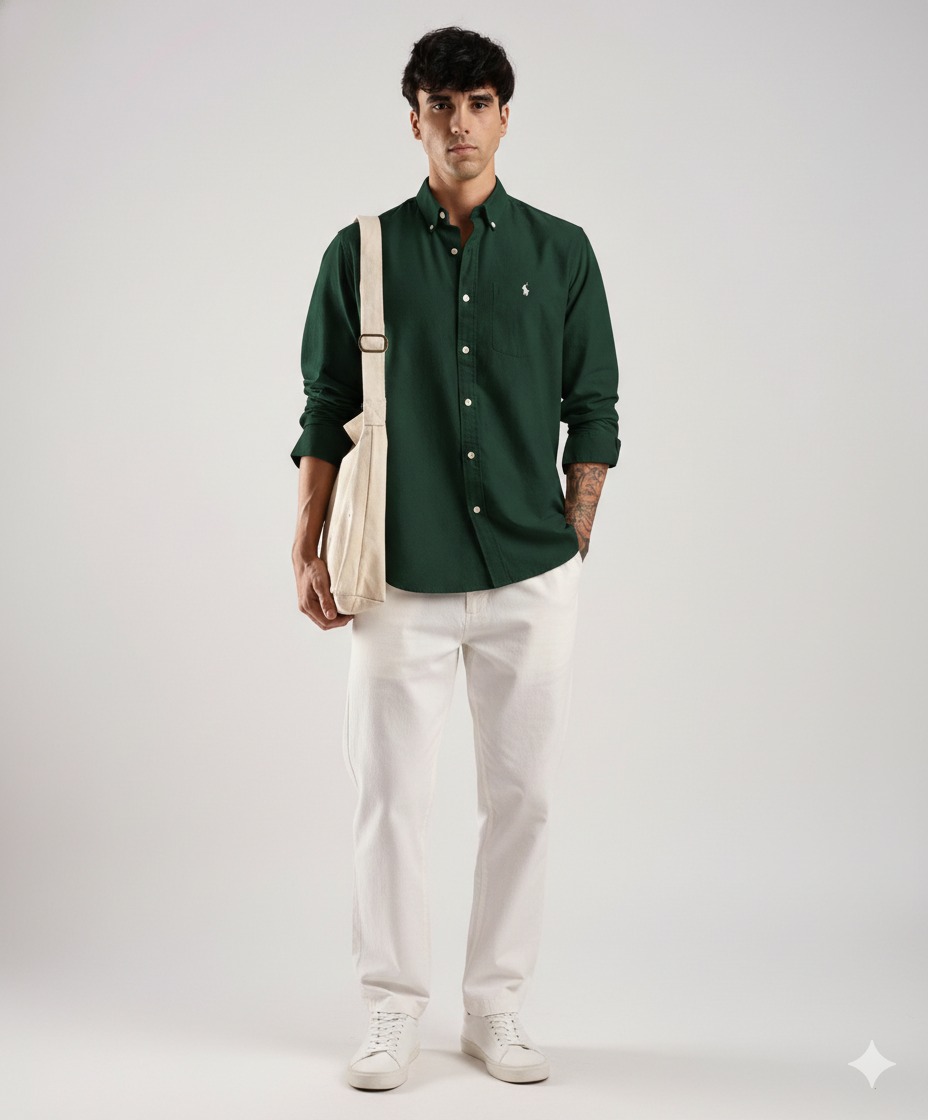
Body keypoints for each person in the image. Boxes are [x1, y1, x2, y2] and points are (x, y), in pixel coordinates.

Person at [290, 25, 621, 1091]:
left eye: (479, 103)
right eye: (442, 105)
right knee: (390, 797)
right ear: (415, 120)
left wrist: (571, 536)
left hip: (531, 574)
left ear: (504, 116)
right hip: (400, 572)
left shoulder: (561, 251)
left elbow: (594, 406)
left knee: (523, 797)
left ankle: (496, 1006)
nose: (461, 123)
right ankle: (392, 1007)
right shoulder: (361, 251)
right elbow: (326, 405)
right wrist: (307, 539)